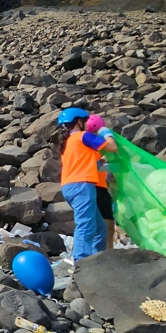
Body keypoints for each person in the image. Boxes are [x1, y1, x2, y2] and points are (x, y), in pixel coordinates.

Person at [57, 108, 117, 264]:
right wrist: (106, 132)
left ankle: (99, 261)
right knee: (86, 225)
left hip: (69, 186)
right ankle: (81, 263)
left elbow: (88, 161)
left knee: (99, 228)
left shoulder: (68, 142)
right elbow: (112, 147)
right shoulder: (84, 136)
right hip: (82, 185)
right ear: (79, 122)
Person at [87, 114, 117, 249]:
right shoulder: (90, 144)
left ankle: (108, 256)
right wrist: (107, 135)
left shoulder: (95, 147)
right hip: (95, 187)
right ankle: (105, 257)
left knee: (108, 227)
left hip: (101, 187)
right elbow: (113, 147)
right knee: (105, 227)